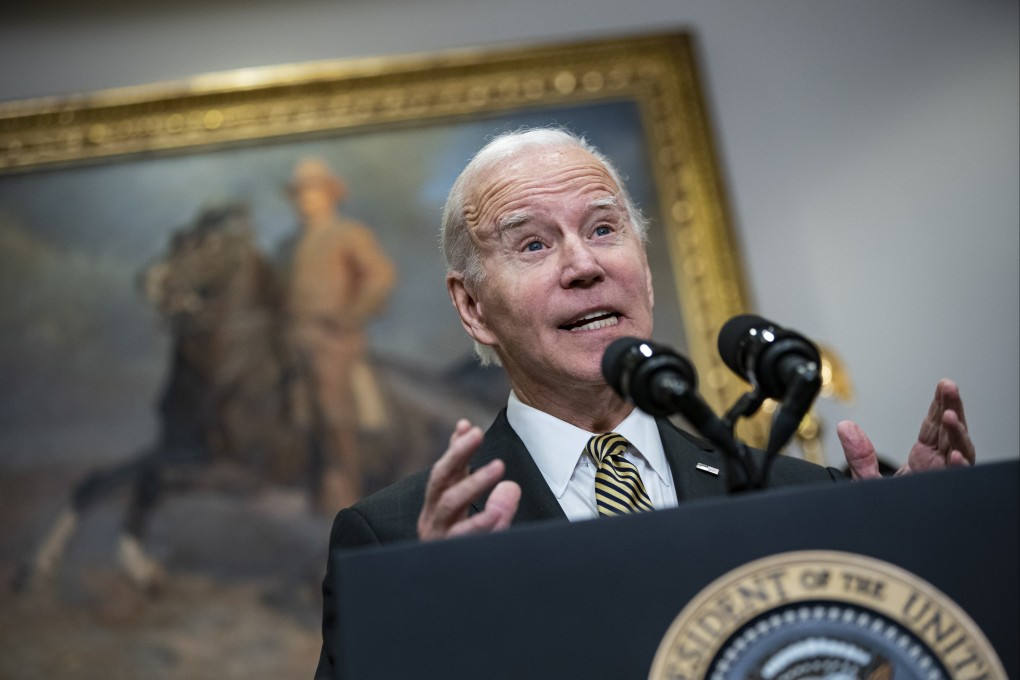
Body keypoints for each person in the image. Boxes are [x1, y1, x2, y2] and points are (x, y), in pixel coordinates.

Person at [312, 128, 974, 679]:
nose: (583, 265)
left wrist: (926, 554)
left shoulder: (808, 497)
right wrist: (424, 621)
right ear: (473, 305)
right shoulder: (392, 545)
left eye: (604, 229)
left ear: (645, 268)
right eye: (534, 244)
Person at [283, 158, 397, 514]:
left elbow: (380, 275)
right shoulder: (290, 244)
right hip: (291, 336)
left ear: (330, 195)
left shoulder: (348, 234)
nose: (306, 200)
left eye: (314, 192)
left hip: (332, 340)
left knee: (332, 408)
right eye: (301, 194)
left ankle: (344, 491)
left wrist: (351, 315)